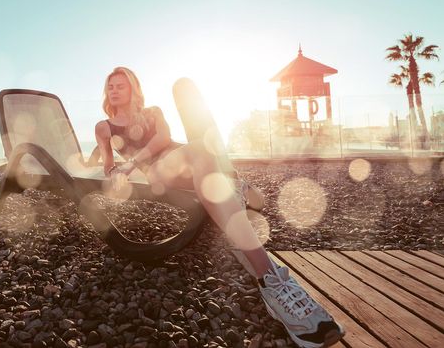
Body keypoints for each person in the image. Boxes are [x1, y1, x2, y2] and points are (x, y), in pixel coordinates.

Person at [94, 66, 345, 348]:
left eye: (121, 85)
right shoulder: (104, 126)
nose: (114, 90)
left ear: (133, 89)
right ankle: (269, 277)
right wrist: (118, 169)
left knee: (183, 88)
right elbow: (107, 162)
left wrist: (130, 161)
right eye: (110, 86)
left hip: (186, 158)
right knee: (206, 150)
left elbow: (163, 139)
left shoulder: (152, 112)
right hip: (159, 170)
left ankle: (231, 185)